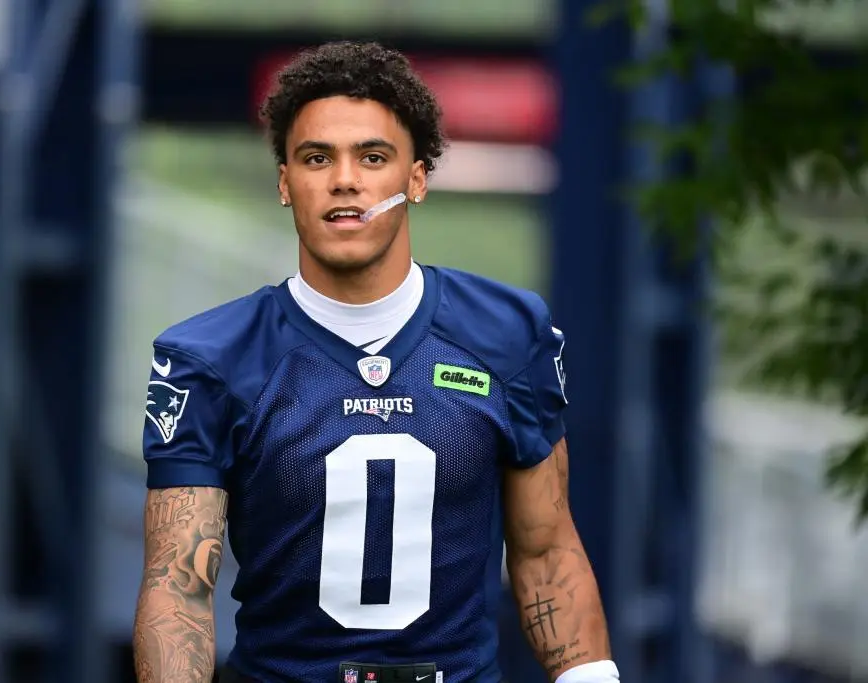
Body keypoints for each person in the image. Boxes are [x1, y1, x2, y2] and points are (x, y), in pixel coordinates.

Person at [132, 40, 618, 683]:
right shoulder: (211, 358)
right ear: (284, 183)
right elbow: (179, 586)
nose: (344, 179)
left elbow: (546, 550)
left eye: (373, 156)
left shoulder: (505, 333)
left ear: (416, 179)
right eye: (315, 158)